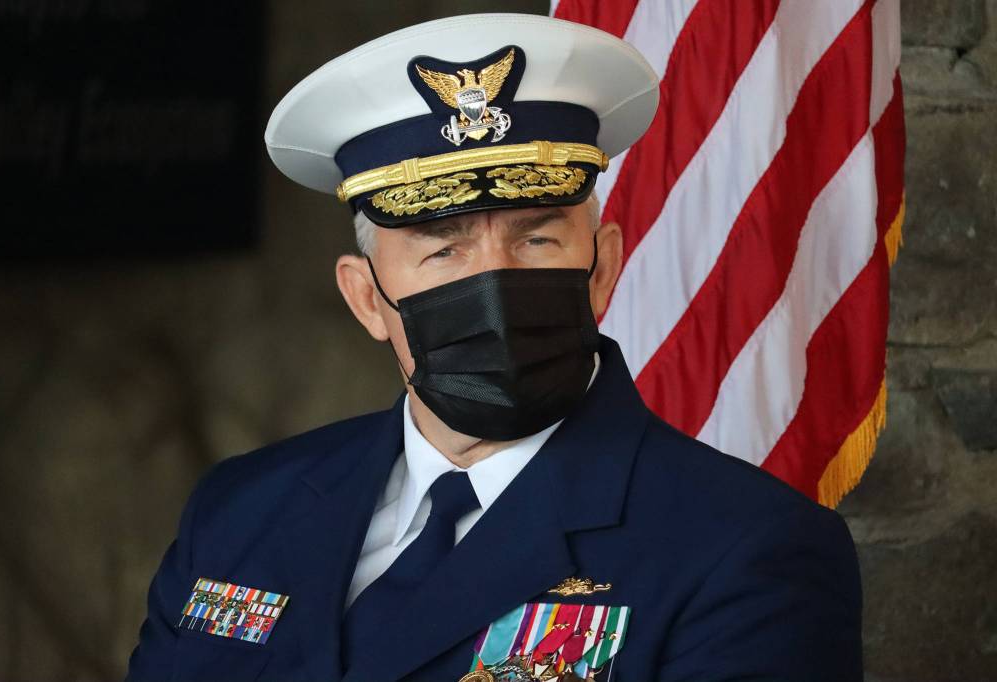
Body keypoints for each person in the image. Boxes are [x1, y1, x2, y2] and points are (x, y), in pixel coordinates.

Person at [126, 13, 862, 682]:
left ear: (601, 268)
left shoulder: (747, 550)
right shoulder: (241, 512)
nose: (494, 282)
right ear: (366, 299)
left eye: (536, 238)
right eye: (442, 252)